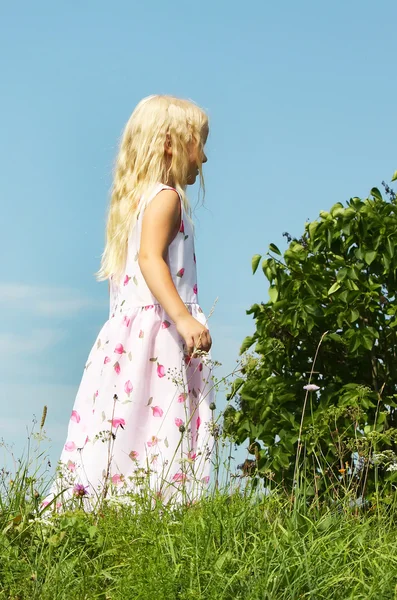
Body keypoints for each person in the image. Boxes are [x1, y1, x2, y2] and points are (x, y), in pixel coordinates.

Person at [43, 95, 215, 511]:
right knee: (159, 428)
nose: (205, 158)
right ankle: (157, 513)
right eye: (200, 143)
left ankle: (105, 509)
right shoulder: (166, 198)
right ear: (172, 142)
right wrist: (183, 318)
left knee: (127, 428)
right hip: (159, 336)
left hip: (129, 339)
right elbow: (150, 258)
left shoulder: (136, 201)